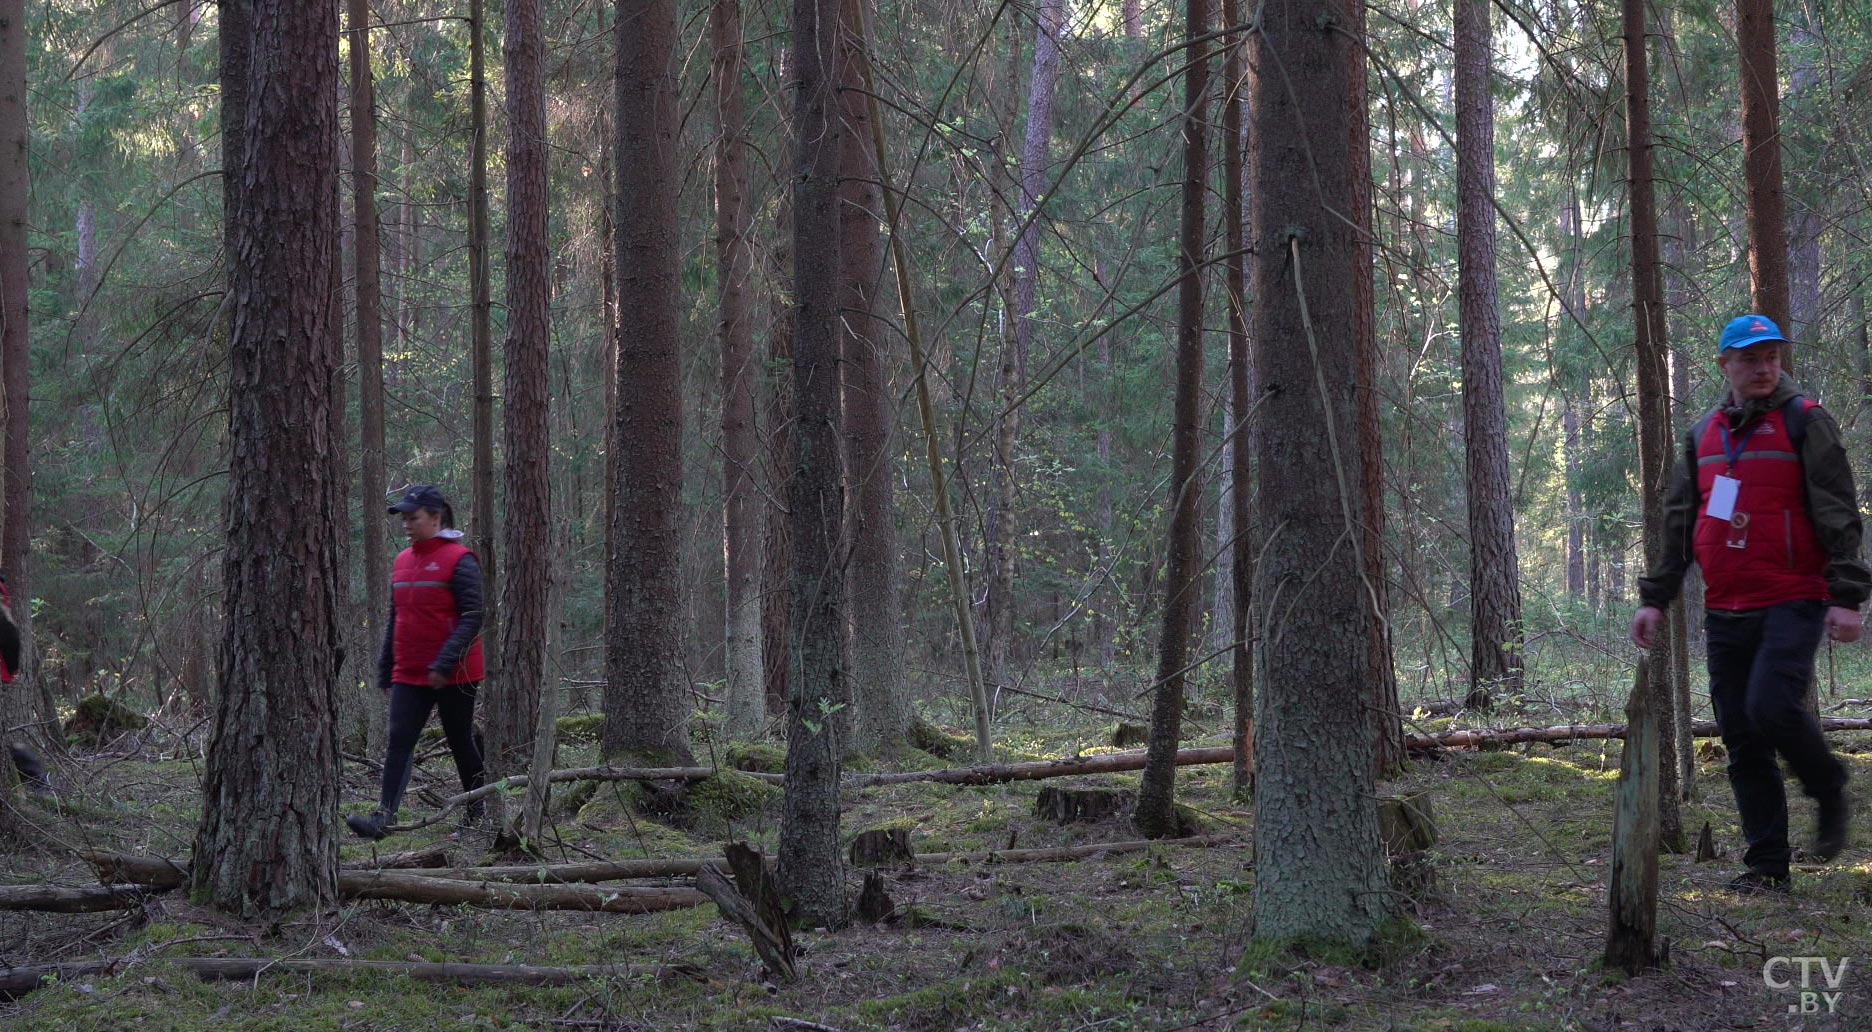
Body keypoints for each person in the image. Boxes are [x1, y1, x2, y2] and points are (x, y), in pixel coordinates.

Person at [1631, 314, 1860, 893]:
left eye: (1772, 357)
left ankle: (1828, 784)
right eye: (1750, 358)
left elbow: (1838, 508)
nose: (1763, 368)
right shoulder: (1705, 433)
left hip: (1794, 596)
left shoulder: (1805, 421)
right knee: (1741, 737)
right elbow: (1681, 522)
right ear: (1725, 365)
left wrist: (1847, 594)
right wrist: (1656, 597)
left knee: (1771, 707)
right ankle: (1767, 865)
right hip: (1726, 606)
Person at [347, 484, 487, 840]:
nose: (407, 524)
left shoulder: (460, 559)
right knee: (400, 739)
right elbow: (398, 617)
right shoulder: (402, 561)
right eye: (404, 518)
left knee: (459, 739)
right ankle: (384, 817)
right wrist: (385, 667)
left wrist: (443, 664)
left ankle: (478, 810)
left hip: (456, 673)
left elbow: (473, 616)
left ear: (436, 517)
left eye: (414, 517)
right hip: (410, 672)